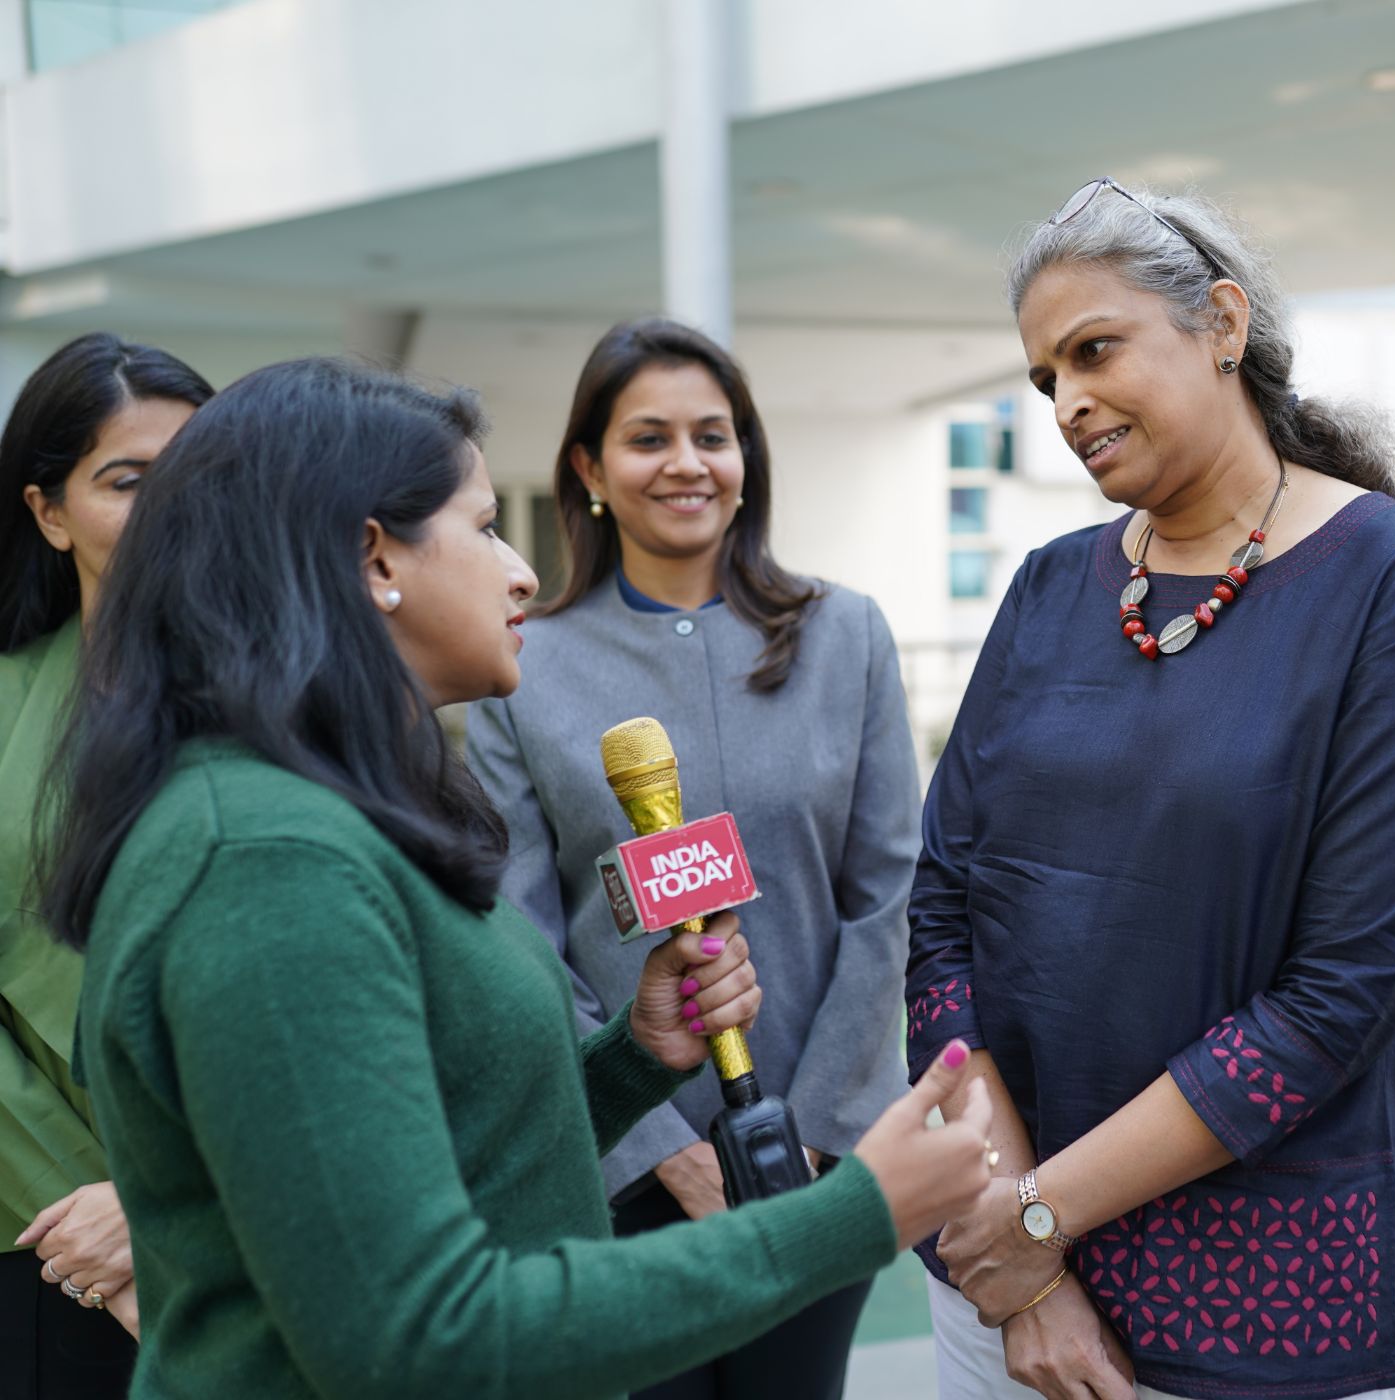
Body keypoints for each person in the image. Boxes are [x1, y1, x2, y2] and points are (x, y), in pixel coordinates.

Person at [36, 356, 994, 1399]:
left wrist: (634, 1058)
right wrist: (853, 1216)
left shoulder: (329, 810)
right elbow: (418, 1335)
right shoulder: (268, 869)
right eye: (486, 527)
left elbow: (441, 1147)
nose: (522, 572)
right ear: (374, 558)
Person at [906, 180, 1395, 1400]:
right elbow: (942, 915)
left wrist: (1038, 1216)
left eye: (1094, 350)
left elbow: (1340, 997)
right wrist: (1023, 1259)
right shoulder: (1048, 587)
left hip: (1252, 1307)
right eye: (1045, 378)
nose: (1067, 403)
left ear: (1223, 323)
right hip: (996, 1289)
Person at [465, 317, 919, 1400]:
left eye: (712, 436)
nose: (686, 463)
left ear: (745, 458)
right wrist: (661, 1148)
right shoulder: (522, 663)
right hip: (618, 1162)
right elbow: (521, 933)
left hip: (813, 1166)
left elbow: (887, 894)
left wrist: (810, 1139)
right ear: (589, 469)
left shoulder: (846, 636)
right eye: (648, 437)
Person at [1, 332, 212, 1393]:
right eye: (127, 481)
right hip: (46, 1237)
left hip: (262, 1221)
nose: (169, 507)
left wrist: (167, 1193)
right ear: (48, 512)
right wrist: (96, 1204)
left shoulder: (315, 693)